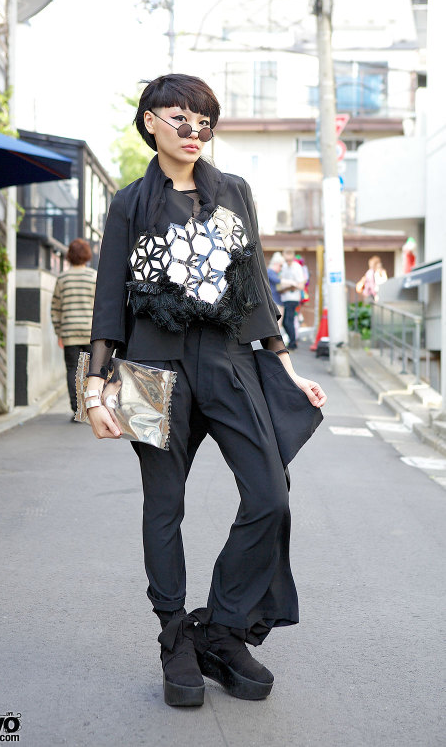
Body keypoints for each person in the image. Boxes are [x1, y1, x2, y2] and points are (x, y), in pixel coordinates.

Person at [85, 74, 326, 708]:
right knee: (163, 506)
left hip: (226, 358)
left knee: (270, 495)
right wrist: (94, 386)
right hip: (147, 367)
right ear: (150, 124)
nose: (194, 132)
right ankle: (173, 639)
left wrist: (286, 366)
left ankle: (221, 628)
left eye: (205, 122)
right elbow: (110, 298)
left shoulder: (233, 194)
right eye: (181, 118)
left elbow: (253, 286)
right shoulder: (129, 203)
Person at [51, 238, 97, 419]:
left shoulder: (62, 278)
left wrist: (59, 332)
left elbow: (55, 308)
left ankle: (77, 409)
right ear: (87, 255)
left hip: (70, 334)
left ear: (69, 256)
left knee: (72, 370)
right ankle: (90, 408)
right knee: (91, 371)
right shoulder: (94, 277)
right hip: (90, 333)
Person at [278, 249, 305, 349]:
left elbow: (301, 285)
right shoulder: (283, 266)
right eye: (286, 260)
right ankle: (292, 341)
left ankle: (293, 343)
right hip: (284, 298)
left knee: (288, 321)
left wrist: (289, 287)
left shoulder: (297, 267)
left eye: (290, 260)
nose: (288, 262)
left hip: (293, 298)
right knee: (285, 322)